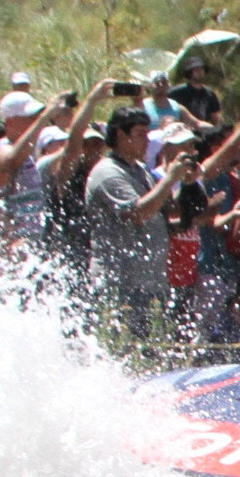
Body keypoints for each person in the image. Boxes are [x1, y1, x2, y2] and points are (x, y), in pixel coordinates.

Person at [85, 106, 198, 326]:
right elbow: (138, 213)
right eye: (140, 134)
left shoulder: (140, 169)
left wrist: (188, 183)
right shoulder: (107, 172)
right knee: (123, 345)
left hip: (150, 282)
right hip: (119, 283)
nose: (147, 140)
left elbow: (169, 209)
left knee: (154, 344)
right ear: (120, 135)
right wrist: (170, 178)